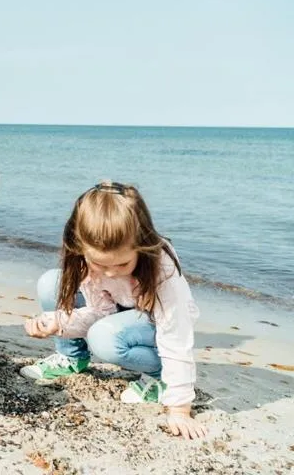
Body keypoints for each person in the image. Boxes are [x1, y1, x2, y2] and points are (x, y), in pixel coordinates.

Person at [22, 181, 207, 440]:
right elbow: (99, 312)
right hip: (117, 316)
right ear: (81, 245)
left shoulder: (161, 267)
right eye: (98, 263)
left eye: (122, 264)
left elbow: (176, 335)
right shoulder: (86, 260)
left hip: (154, 324)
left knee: (104, 337)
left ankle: (158, 377)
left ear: (141, 243)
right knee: (51, 283)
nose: (109, 272)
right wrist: (60, 324)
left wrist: (179, 408)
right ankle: (71, 358)